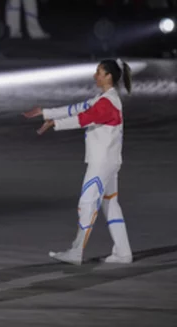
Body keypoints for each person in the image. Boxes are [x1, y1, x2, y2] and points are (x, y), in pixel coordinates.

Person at [23, 59, 134, 265]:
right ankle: (123, 252)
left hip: (102, 163)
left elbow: (84, 118)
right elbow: (77, 108)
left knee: (87, 202)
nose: (95, 76)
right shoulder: (104, 99)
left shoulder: (107, 103)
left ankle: (76, 251)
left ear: (109, 76)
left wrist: (56, 123)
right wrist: (46, 113)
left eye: (99, 72)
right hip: (108, 162)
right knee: (110, 204)